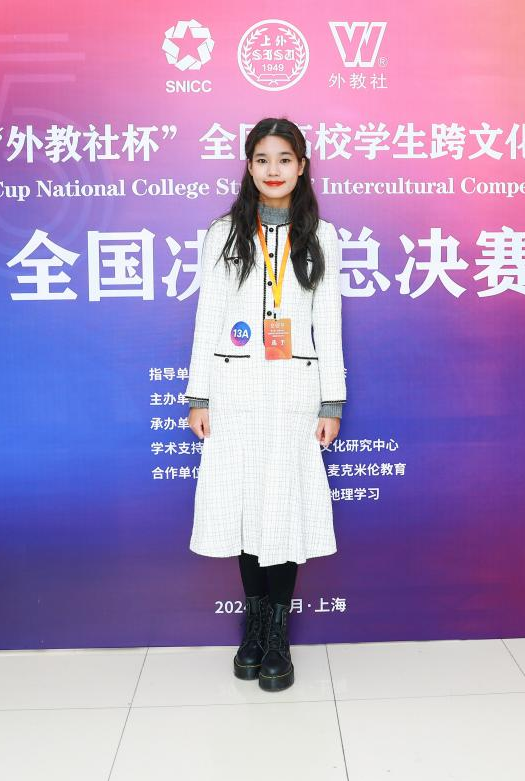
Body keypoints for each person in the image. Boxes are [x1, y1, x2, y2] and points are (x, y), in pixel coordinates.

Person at [183, 117, 346, 692]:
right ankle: (253, 631)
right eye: (261, 159)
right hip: (235, 391)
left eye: (283, 159)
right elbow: (207, 318)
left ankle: (278, 637)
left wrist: (331, 402)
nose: (272, 170)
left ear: (302, 167)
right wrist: (199, 395)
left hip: (295, 394)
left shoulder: (321, 236)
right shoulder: (223, 234)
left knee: (281, 508)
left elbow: (328, 322)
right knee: (245, 506)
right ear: (248, 166)